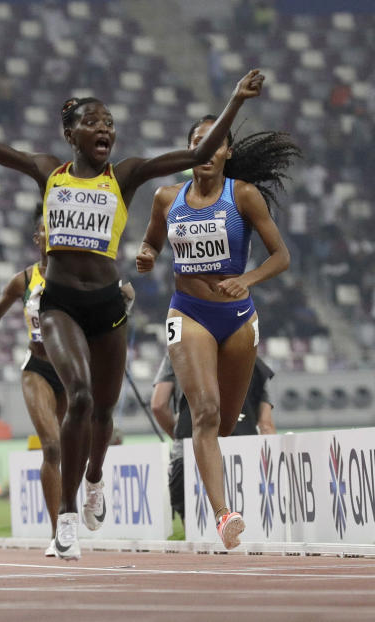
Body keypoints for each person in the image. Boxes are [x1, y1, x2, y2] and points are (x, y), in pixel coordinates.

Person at [0, 54, 264, 560]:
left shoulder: (126, 175)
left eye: (110, 124)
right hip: (59, 304)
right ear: (70, 133)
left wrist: (234, 100)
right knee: (77, 396)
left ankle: (95, 477)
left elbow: (202, 151)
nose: (105, 129)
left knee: (102, 409)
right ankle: (69, 515)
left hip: (107, 305)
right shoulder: (46, 172)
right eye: (93, 122)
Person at [136, 117, 299, 549]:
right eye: (197, 143)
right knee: (204, 413)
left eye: (215, 144)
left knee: (225, 423)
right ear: (189, 150)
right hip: (188, 312)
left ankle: (216, 483)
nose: (206, 151)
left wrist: (248, 279)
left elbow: (281, 255)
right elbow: (151, 242)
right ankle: (223, 513)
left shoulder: (241, 196)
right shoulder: (167, 198)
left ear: (226, 152)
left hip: (239, 315)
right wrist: (147, 254)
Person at [0, 203, 68, 557]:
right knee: (51, 446)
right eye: (45, 230)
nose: (50, 235)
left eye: (57, 229)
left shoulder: (80, 276)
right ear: (37, 238)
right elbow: (0, 306)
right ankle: (59, 534)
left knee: (71, 448)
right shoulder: (25, 279)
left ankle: (79, 506)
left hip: (71, 372)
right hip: (37, 367)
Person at [152, 353, 276, 523]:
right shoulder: (252, 358)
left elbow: (158, 405)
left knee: (195, 541)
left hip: (190, 454)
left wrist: (186, 440)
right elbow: (266, 425)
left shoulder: (179, 349)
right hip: (246, 457)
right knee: (250, 535)